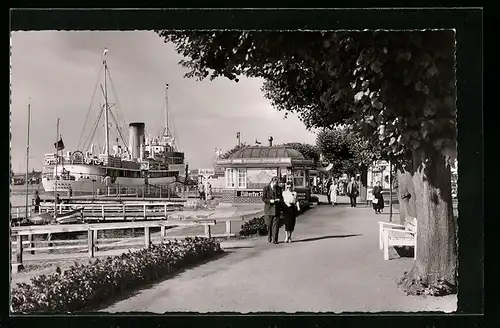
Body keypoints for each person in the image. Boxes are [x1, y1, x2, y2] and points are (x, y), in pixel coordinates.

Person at [262, 176, 283, 244]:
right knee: (269, 224)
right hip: (268, 209)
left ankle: (275, 239)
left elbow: (281, 198)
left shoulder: (279, 188)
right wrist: (270, 201)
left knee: (276, 225)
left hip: (276, 209)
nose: (277, 184)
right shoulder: (266, 188)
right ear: (272, 181)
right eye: (276, 183)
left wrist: (279, 200)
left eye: (277, 183)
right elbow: (263, 198)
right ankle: (269, 236)